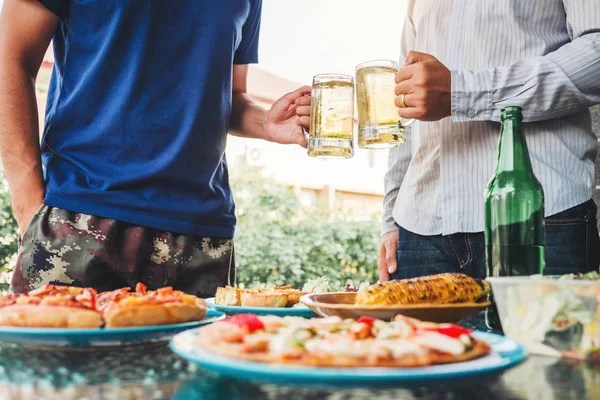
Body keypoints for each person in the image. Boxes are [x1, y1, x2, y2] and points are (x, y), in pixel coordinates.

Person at [0, 0, 309, 296]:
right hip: (78, 218)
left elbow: (230, 96)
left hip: (201, 236)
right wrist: (28, 206)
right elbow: (9, 57)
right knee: (53, 353)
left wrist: (266, 122)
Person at [378, 0, 600, 282]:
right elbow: (406, 100)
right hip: (419, 231)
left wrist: (463, 92)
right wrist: (391, 219)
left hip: (540, 216)